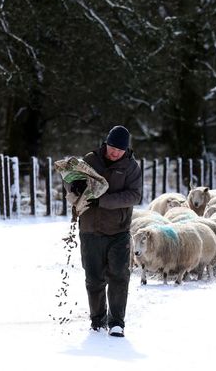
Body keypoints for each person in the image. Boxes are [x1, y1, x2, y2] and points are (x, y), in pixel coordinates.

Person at [70, 125, 142, 338]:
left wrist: (104, 200)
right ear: (106, 143)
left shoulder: (131, 167)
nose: (114, 153)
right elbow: (72, 179)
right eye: (112, 147)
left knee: (119, 275)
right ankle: (97, 319)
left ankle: (117, 322)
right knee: (94, 277)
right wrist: (73, 188)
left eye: (119, 150)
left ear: (125, 150)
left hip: (118, 230)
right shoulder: (90, 160)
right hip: (90, 229)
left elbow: (134, 196)